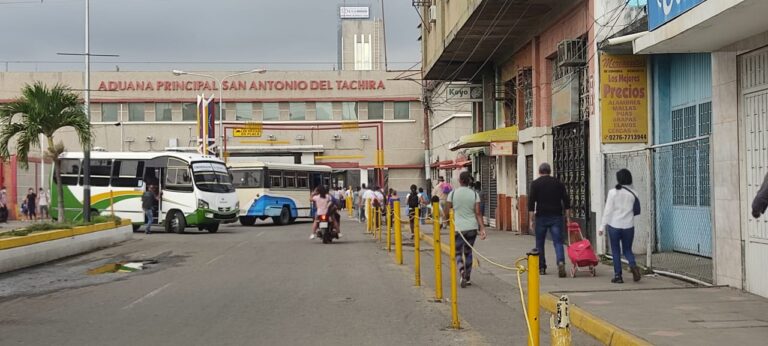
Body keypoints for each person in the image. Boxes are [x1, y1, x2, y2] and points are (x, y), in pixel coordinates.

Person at [528, 163, 571, 278]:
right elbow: (566, 201)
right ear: (550, 171)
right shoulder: (558, 183)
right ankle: (560, 262)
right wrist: (568, 218)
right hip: (556, 216)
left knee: (539, 243)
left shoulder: (535, 184)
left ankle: (541, 267)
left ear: (539, 171)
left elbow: (531, 203)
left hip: (541, 217)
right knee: (558, 242)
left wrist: (531, 220)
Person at [600, 169, 642, 283]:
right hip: (629, 226)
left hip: (614, 225)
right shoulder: (634, 193)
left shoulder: (612, 192)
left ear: (618, 179)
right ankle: (633, 265)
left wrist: (602, 226)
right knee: (627, 250)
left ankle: (618, 276)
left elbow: (607, 211)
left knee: (615, 251)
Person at [446, 171, 487, 288]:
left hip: (458, 228)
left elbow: (446, 211)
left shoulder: (452, 194)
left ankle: (462, 271)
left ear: (460, 181)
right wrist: (482, 228)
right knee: (468, 252)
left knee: (458, 252)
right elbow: (478, 213)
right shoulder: (474, 194)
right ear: (469, 181)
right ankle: (468, 277)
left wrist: (446, 220)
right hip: (472, 227)